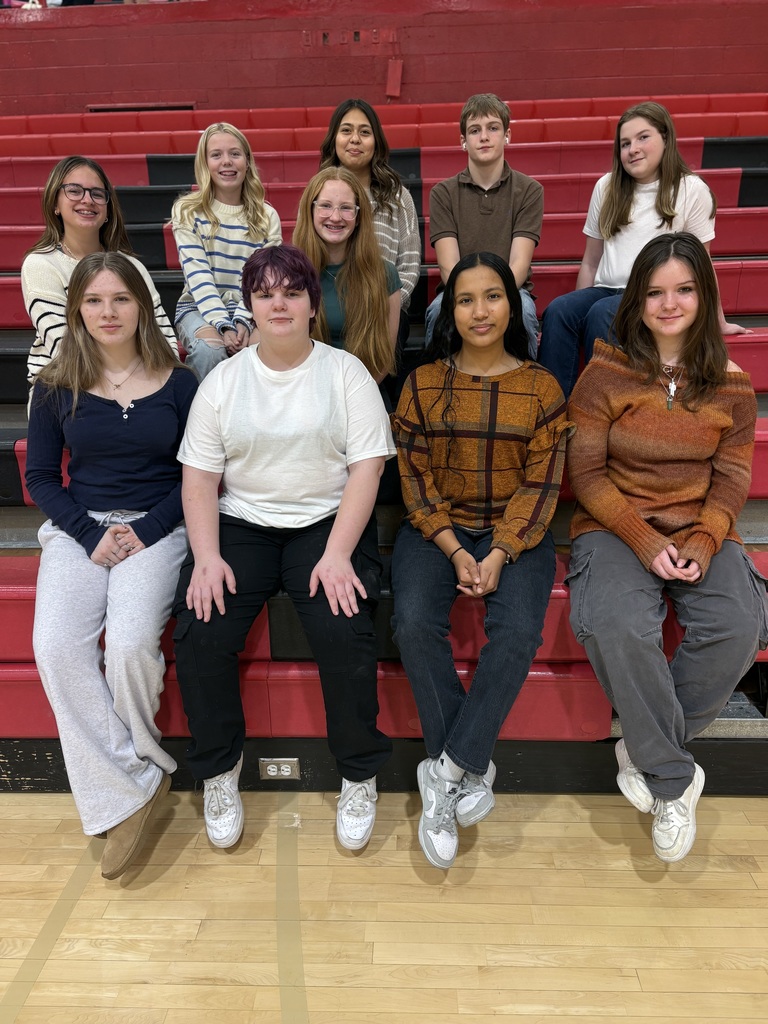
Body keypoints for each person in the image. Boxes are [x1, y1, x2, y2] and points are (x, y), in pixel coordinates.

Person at [172, 244, 394, 852]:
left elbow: (367, 470)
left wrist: (340, 553)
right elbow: (199, 478)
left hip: (325, 523)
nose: (278, 303)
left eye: (291, 292)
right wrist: (209, 555)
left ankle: (359, 774)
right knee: (202, 628)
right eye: (265, 293)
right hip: (242, 522)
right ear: (249, 304)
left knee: (343, 627)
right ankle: (220, 772)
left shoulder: (345, 373)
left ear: (312, 304)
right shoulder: (223, 380)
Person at [565, 232, 767, 863]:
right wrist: (645, 540)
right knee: (613, 622)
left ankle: (646, 749)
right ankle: (675, 780)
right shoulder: (605, 372)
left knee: (741, 622)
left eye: (683, 289)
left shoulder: (732, 385)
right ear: (637, 300)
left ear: (704, 295)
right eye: (655, 291)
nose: (670, 303)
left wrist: (706, 541)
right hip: (617, 523)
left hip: (701, 523)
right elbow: (588, 476)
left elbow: (733, 478)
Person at [391, 251, 571, 869]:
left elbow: (542, 486)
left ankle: (449, 768)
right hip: (436, 528)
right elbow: (413, 480)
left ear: (512, 305)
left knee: (519, 629)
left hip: (515, 531)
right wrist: (451, 545)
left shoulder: (541, 387)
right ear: (448, 310)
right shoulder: (422, 383)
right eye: (464, 299)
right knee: (413, 622)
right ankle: (463, 765)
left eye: (493, 296)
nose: (479, 310)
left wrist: (496, 553)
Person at [25, 251, 198, 880]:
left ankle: (137, 771)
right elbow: (41, 477)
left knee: (127, 644)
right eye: (94, 300)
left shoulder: (179, 382)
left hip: (158, 526)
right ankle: (130, 784)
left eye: (120, 299)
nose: (108, 312)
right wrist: (86, 535)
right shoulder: (53, 385)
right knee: (54, 645)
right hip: (79, 528)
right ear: (76, 308)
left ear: (140, 305)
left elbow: (198, 473)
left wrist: (147, 529)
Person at [538, 101, 750, 397]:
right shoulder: (607, 186)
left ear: (665, 138)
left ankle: (601, 409)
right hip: (606, 289)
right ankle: (552, 411)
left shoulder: (691, 189)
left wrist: (719, 321)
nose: (632, 149)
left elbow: (703, 264)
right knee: (560, 310)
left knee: (603, 313)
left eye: (643, 137)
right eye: (625, 143)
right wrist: (578, 304)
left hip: (651, 293)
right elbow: (591, 261)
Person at [22, 155, 177, 391]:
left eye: (97, 193)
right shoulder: (42, 265)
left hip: (135, 381)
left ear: (107, 210)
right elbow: (64, 345)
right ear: (55, 204)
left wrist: (139, 385)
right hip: (66, 385)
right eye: (74, 191)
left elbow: (163, 339)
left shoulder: (131, 266)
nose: (87, 200)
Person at [425, 93, 543, 357]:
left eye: (493, 128)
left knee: (523, 311)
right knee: (435, 313)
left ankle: (529, 390)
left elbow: (519, 264)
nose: (484, 137)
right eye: (475, 130)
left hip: (511, 290)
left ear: (507, 135)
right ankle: (434, 391)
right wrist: (472, 300)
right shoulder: (443, 193)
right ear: (463, 141)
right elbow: (448, 266)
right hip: (458, 291)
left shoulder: (529, 190)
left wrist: (492, 299)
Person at [171, 122, 282, 379]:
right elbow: (198, 277)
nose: (227, 162)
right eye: (216, 155)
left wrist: (243, 320)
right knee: (211, 352)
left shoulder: (267, 216)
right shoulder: (187, 211)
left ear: (247, 161)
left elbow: (262, 280)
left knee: (259, 350)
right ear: (204, 163)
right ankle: (201, 418)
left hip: (253, 308)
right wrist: (222, 324)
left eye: (235, 154)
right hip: (197, 308)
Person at [319, 98, 421, 350]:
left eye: (365, 132)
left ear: (376, 143)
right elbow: (306, 256)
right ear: (334, 139)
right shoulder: (317, 193)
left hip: (384, 309)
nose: (355, 139)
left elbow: (409, 266)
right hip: (327, 311)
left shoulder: (398, 196)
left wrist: (384, 303)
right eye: (346, 130)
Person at [292, 166, 400, 386]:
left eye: (346, 208)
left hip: (364, 392)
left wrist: (351, 399)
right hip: (302, 393)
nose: (335, 217)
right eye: (325, 206)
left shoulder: (385, 274)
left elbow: (383, 359)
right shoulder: (289, 274)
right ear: (310, 210)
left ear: (359, 217)